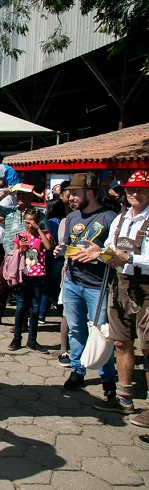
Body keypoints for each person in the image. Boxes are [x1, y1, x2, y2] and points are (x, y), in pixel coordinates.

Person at [80, 171, 149, 424]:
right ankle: (124, 400)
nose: (134, 194)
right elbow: (111, 251)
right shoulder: (121, 219)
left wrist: (129, 258)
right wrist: (99, 253)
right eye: (131, 190)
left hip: (146, 287)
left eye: (141, 190)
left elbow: (132, 257)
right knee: (121, 342)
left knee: (148, 347)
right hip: (120, 284)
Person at [59, 172, 117, 396]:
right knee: (75, 330)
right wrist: (60, 250)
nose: (70, 197)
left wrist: (99, 254)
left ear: (90, 192)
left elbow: (116, 253)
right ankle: (77, 371)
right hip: (73, 282)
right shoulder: (73, 217)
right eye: (69, 193)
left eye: (75, 193)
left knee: (102, 333)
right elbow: (68, 245)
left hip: (98, 286)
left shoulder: (109, 218)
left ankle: (108, 378)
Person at [0, 183, 46, 326]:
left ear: (31, 196)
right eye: (18, 194)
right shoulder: (10, 211)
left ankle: (23, 322)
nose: (20, 197)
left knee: (24, 291)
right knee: (1, 285)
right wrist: (3, 194)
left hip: (29, 258)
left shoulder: (39, 214)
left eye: (24, 194)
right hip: (10, 256)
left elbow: (46, 235)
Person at [8, 208, 54, 352]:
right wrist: (21, 249)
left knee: (35, 308)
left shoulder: (44, 235)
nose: (29, 226)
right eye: (26, 222)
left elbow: (48, 247)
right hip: (24, 275)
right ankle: (16, 338)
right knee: (20, 307)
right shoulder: (21, 236)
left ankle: (32, 340)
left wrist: (39, 229)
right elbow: (14, 254)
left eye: (32, 222)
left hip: (38, 276)